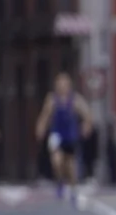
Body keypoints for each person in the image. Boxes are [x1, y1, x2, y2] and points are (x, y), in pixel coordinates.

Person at [34, 72, 93, 204]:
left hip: (70, 135)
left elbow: (87, 114)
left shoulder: (75, 99)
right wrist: (40, 127)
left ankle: (73, 188)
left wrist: (86, 126)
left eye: (64, 84)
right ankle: (60, 181)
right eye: (59, 84)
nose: (62, 87)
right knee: (57, 161)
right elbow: (45, 115)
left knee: (70, 165)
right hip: (57, 135)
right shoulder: (52, 99)